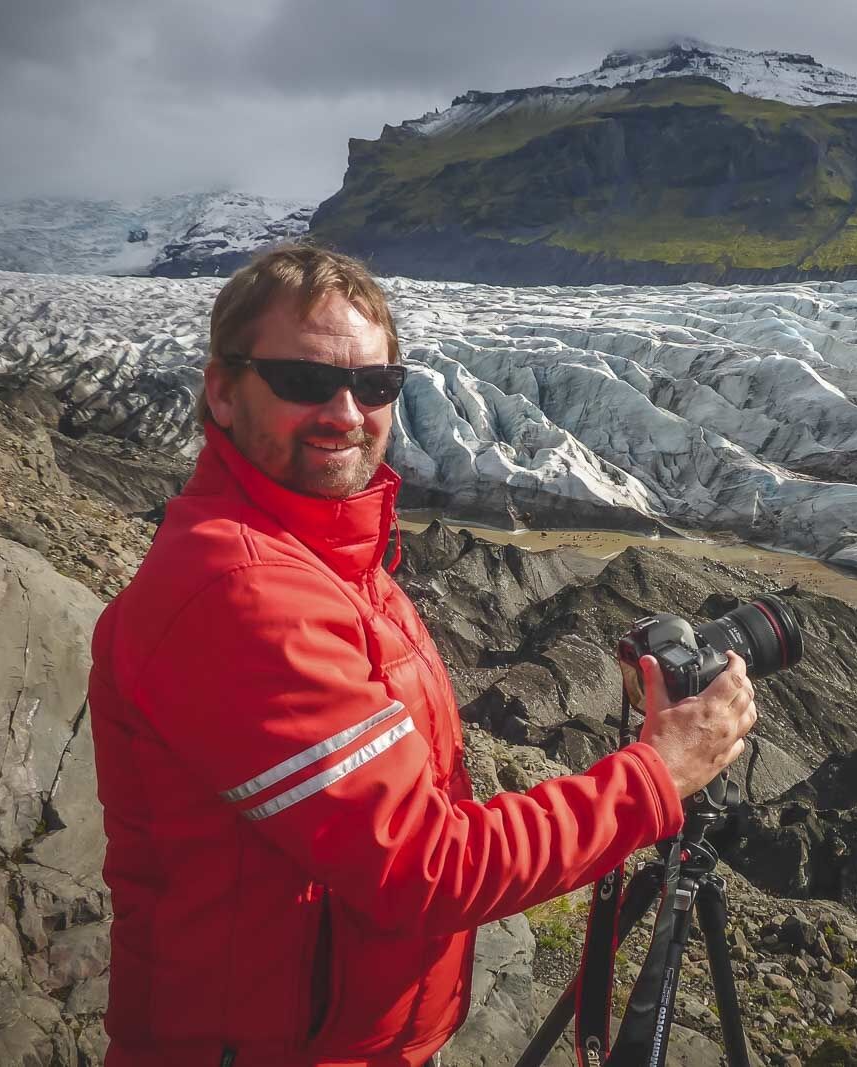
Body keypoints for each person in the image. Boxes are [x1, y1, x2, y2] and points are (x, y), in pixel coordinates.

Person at [87, 244, 756, 1067]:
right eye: (303, 380)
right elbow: (426, 865)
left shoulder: (335, 562)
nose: (344, 410)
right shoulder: (245, 593)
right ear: (221, 392)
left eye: (374, 385)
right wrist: (659, 773)